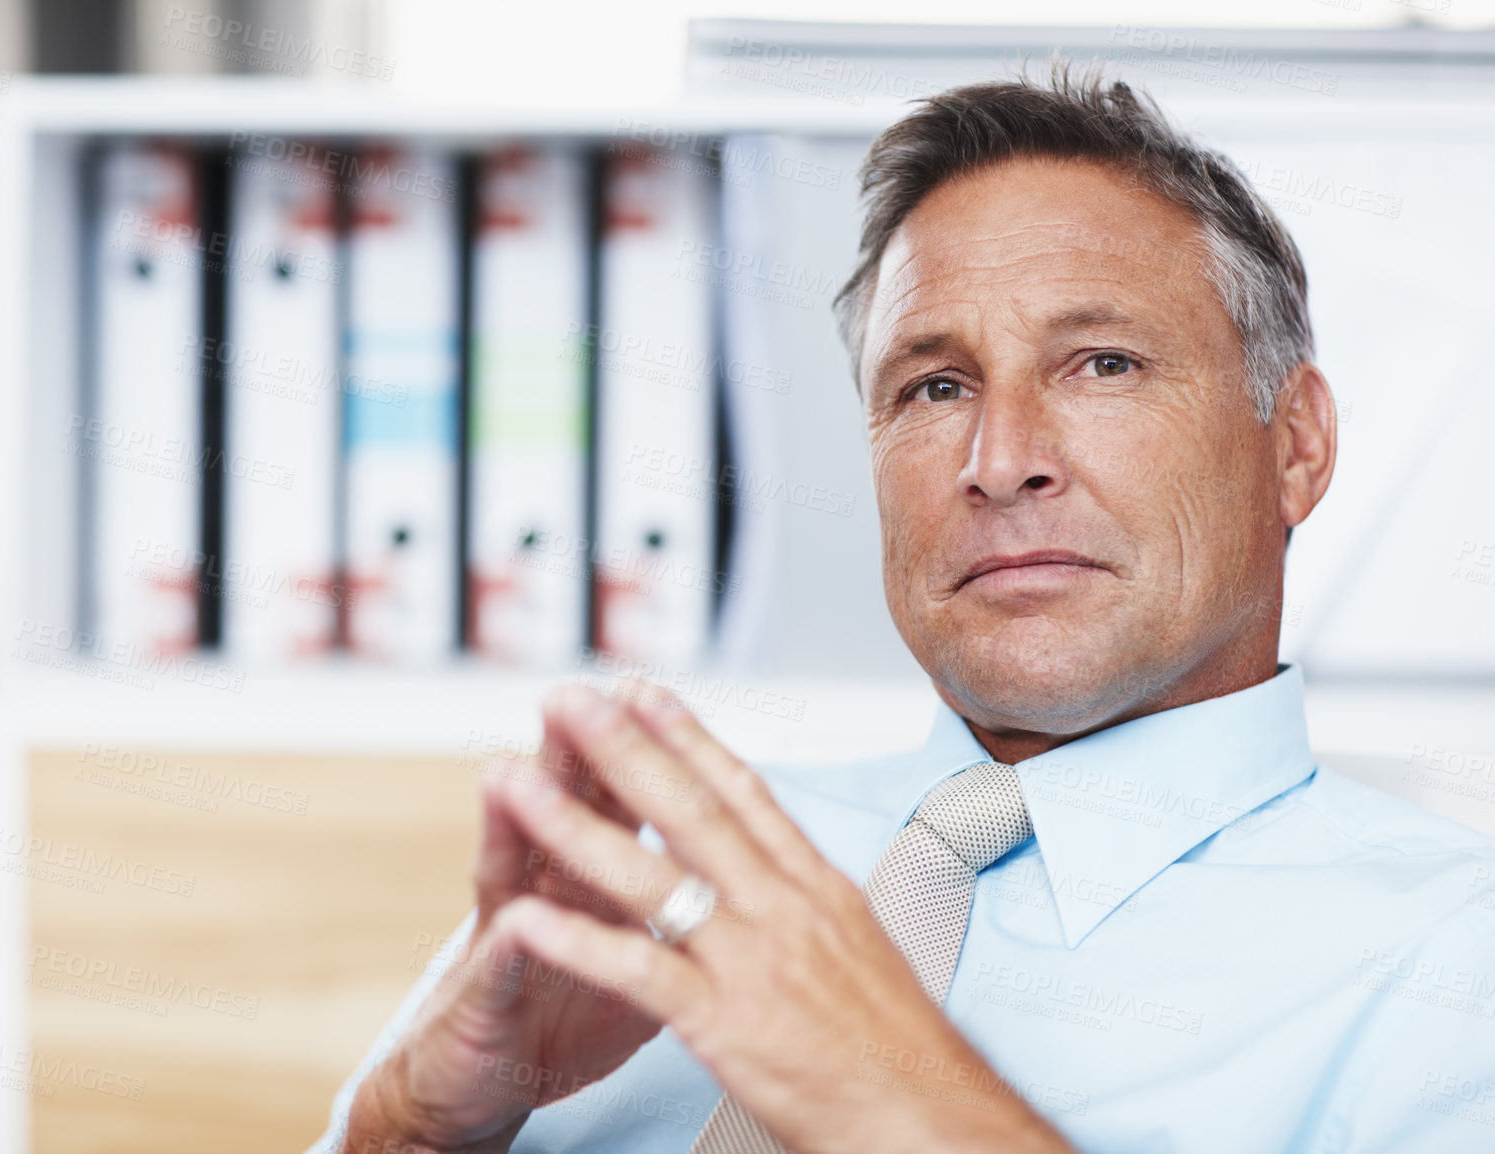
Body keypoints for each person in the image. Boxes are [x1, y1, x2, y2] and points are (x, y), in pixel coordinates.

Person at [310, 67, 1495, 1154]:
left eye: (1102, 364)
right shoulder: (670, 871)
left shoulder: (1454, 958)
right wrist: (408, 1125)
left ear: (1295, 445)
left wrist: (882, 1089)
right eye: (934, 385)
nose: (999, 457)